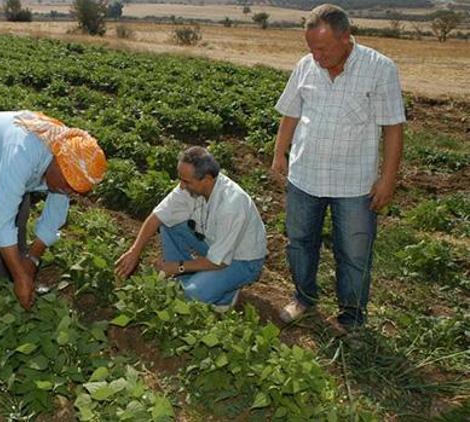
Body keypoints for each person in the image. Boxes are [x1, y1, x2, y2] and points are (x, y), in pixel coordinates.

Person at [271, 4, 405, 330]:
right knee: (300, 243)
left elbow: (393, 129)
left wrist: (387, 180)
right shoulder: (306, 66)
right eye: (312, 49)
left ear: (346, 37)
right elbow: (290, 112)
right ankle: (303, 298)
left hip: (354, 184)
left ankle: (352, 318)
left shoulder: (380, 68)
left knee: (354, 255)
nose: (317, 56)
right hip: (305, 176)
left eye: (323, 48)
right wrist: (279, 154)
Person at [0, 111, 107, 310]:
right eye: (67, 185)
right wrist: (21, 276)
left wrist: (31, 260)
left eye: (74, 190)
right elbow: (2, 224)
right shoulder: (23, 151)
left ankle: (17, 274)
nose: (68, 191)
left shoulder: (68, 154)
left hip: (6, 163)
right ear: (57, 163)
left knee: (19, 219)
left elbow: (53, 218)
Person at [116, 146, 267, 311]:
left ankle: (224, 292)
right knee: (168, 222)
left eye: (186, 181)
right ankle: (192, 278)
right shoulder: (191, 188)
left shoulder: (232, 205)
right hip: (214, 247)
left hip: (241, 261)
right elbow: (157, 216)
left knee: (189, 297)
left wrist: (176, 266)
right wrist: (134, 251)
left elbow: (220, 261)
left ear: (207, 179)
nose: (181, 186)